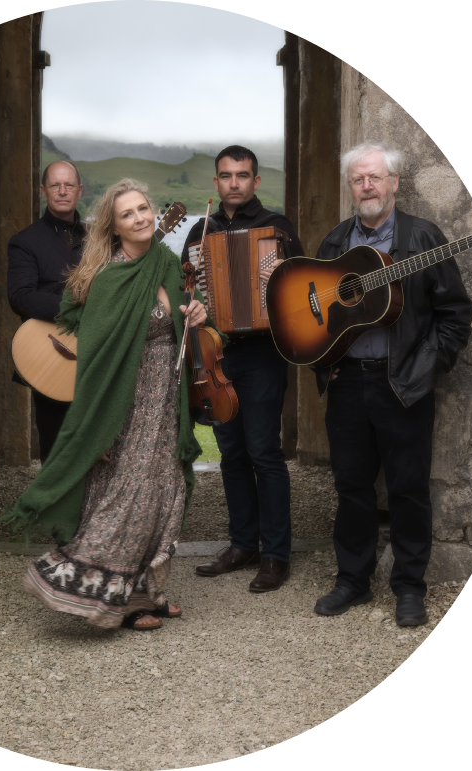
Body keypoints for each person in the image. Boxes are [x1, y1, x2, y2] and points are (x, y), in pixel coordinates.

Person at [7, 179, 207, 630]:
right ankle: (92, 593)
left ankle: (146, 593)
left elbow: (184, 317)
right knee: (128, 499)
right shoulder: (109, 279)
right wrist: (100, 424)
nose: (140, 218)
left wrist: (197, 313)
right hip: (126, 407)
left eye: (143, 208)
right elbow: (96, 360)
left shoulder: (168, 263)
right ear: (114, 228)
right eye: (128, 214)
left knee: (165, 494)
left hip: (165, 404)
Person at [312, 142, 472, 626]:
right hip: (348, 387)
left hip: (402, 384)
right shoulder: (336, 242)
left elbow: (456, 317)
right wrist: (325, 365)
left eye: (375, 178)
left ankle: (408, 587)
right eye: (359, 179)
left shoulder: (425, 240)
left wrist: (426, 368)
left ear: (394, 183)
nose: (367, 186)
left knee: (407, 490)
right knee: (352, 488)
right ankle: (353, 581)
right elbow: (315, 315)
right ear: (351, 187)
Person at [181, 145, 304, 593]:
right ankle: (241, 543)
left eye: (243, 175)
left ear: (256, 181)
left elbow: (298, 281)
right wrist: (191, 283)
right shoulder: (200, 230)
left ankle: (275, 554)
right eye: (226, 175)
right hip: (217, 353)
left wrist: (274, 272)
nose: (234, 183)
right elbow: (187, 288)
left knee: (263, 451)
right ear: (216, 183)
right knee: (231, 451)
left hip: (263, 353)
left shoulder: (277, 226)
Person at [7, 160, 86, 462]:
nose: (62, 191)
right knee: (56, 448)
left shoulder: (98, 240)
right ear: (43, 191)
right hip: (51, 352)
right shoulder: (25, 242)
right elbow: (20, 296)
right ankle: (54, 508)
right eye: (55, 185)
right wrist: (73, 304)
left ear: (80, 191)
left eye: (69, 185)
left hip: (94, 351)